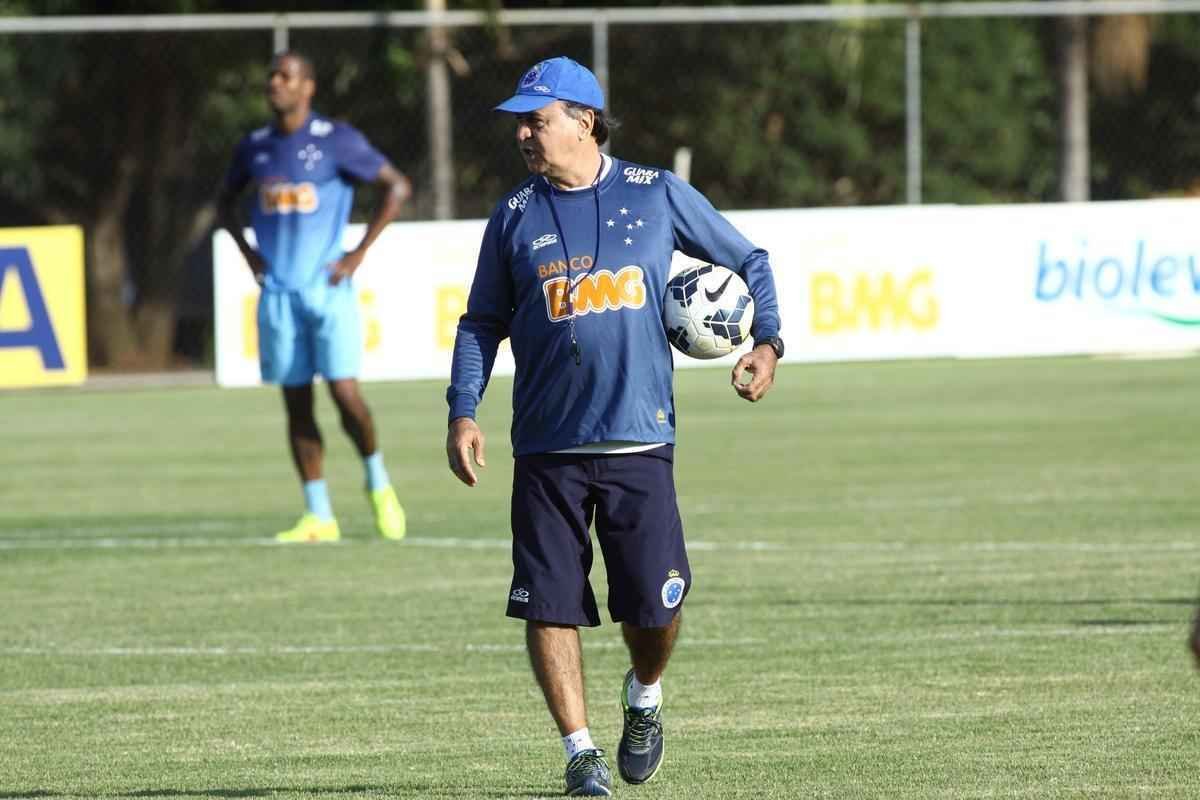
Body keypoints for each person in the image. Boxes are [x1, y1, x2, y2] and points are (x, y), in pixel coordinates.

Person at [445, 56, 784, 796]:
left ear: (584, 121)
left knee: (656, 606)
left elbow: (749, 258)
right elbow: (480, 323)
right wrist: (463, 410)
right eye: (519, 123)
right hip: (545, 449)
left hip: (639, 441)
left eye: (537, 120)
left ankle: (644, 694)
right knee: (547, 601)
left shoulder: (655, 194)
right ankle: (580, 753)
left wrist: (768, 342)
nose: (524, 135)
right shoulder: (512, 216)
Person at [218, 51, 411, 544]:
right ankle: (319, 514)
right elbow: (223, 203)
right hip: (278, 296)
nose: (275, 83)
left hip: (328, 293)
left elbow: (397, 187)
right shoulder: (255, 148)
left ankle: (377, 480)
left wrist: (357, 253)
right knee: (297, 405)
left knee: (346, 397)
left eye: (286, 76)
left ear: (308, 87)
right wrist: (250, 254)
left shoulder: (336, 140)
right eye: (271, 75)